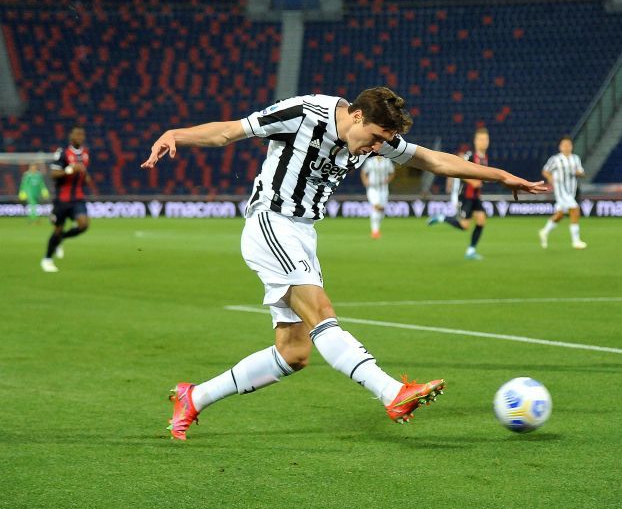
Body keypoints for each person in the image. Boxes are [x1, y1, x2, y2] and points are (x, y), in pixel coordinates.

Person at [141, 87, 547, 440]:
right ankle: (392, 392)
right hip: (270, 220)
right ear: (356, 116)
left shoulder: (373, 134)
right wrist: (176, 134)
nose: (375, 149)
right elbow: (231, 131)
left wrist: (501, 176)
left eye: (382, 143)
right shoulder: (303, 112)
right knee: (322, 314)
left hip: (302, 233)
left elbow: (435, 161)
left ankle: (195, 397)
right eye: (373, 138)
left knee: (293, 354)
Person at [427, 127, 491, 260]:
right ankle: (441, 217)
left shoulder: (484, 157)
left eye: (486, 139)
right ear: (475, 141)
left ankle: (471, 250)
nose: (484, 142)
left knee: (481, 220)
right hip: (465, 195)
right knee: (464, 225)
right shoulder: (470, 155)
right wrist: (472, 181)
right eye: (481, 139)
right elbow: (458, 170)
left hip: (475, 196)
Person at [41, 126, 91, 273]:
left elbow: (84, 175)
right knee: (57, 230)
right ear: (71, 136)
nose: (80, 136)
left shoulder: (86, 153)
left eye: (82, 134)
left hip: (78, 198)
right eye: (77, 134)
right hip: (62, 199)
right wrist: (70, 169)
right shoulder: (62, 153)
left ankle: (62, 238)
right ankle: (47, 259)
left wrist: (86, 177)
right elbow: (53, 174)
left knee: (83, 224)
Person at [537, 135, 587, 249]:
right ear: (560, 147)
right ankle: (576, 241)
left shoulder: (576, 158)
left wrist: (578, 173)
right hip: (560, 189)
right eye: (564, 145)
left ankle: (544, 231)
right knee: (575, 209)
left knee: (559, 215)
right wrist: (550, 178)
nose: (566, 147)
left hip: (571, 190)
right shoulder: (555, 159)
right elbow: (545, 171)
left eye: (568, 145)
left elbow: (582, 173)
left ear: (572, 146)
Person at [360, 154, 395, 239]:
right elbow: (363, 172)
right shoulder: (370, 161)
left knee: (381, 210)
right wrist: (365, 181)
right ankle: (375, 231)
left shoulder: (387, 161)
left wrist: (388, 180)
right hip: (372, 189)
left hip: (383, 189)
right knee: (376, 206)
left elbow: (392, 172)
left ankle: (377, 229)